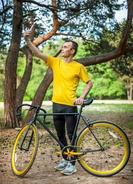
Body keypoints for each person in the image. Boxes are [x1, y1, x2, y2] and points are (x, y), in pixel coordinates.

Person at [23, 25, 93, 175]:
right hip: (57, 105)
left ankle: (72, 164)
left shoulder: (78, 67)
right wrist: (27, 39)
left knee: (71, 135)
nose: (62, 49)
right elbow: (37, 52)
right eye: (62, 46)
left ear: (72, 51)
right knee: (60, 135)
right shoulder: (56, 62)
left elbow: (89, 83)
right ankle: (65, 159)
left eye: (65, 47)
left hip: (70, 106)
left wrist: (81, 97)